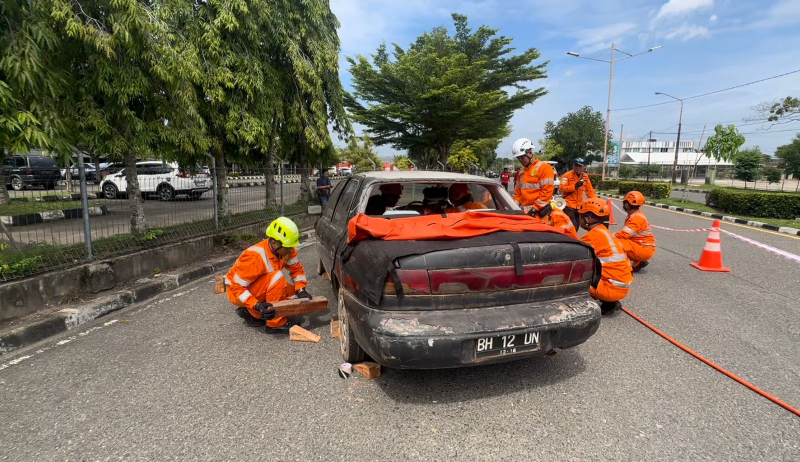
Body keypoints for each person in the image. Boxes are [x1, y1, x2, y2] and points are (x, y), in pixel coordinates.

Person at [226, 217, 312, 333]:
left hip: (255, 285)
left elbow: (296, 269)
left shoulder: (286, 250)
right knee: (277, 277)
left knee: (293, 296)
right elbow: (236, 287)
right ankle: (275, 324)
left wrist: (301, 289)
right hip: (236, 292)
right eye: (288, 247)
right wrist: (256, 305)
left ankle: (250, 313)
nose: (291, 250)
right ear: (274, 243)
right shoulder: (255, 257)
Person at [578, 198, 633, 315]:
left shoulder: (594, 236)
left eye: (581, 216)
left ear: (588, 218)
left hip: (612, 289)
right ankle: (609, 302)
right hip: (621, 287)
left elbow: (574, 259)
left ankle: (582, 307)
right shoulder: (603, 232)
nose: (579, 219)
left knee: (573, 274)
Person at [512, 138, 555, 218]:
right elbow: (517, 193)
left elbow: (547, 191)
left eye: (522, 157)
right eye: (518, 158)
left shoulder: (544, 168)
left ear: (530, 153)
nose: (520, 160)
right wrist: (514, 207)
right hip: (524, 213)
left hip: (539, 213)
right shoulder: (521, 172)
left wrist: (535, 209)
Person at [614, 191, 656, 272]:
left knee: (615, 243)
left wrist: (609, 236)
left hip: (644, 249)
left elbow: (624, 234)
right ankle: (637, 262)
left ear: (626, 205)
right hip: (642, 247)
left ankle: (623, 266)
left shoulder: (636, 218)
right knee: (619, 241)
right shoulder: (636, 214)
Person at [559, 158, 596, 230]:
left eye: (580, 166)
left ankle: (570, 239)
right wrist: (574, 186)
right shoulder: (567, 175)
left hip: (579, 207)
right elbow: (562, 188)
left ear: (584, 167)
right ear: (573, 166)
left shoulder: (585, 177)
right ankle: (570, 239)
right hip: (568, 205)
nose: (577, 168)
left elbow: (590, 191)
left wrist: (595, 202)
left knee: (577, 226)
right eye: (576, 165)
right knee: (572, 226)